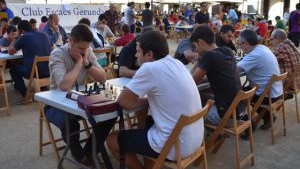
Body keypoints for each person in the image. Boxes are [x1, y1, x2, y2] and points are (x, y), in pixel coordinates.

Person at [107, 30, 203, 169]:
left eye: (138, 51)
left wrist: (147, 100)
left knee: (112, 139)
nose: (135, 55)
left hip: (175, 145)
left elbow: (123, 102)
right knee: (145, 123)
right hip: (194, 139)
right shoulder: (176, 63)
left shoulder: (149, 68)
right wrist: (151, 100)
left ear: (149, 54)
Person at [45, 24, 116, 164]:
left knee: (109, 113)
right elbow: (64, 86)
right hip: (54, 105)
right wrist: (79, 63)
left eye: (87, 48)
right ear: (70, 41)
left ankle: (91, 151)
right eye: (81, 48)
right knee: (70, 124)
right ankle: (79, 156)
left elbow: (103, 78)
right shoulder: (57, 54)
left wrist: (87, 64)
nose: (85, 51)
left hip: (79, 99)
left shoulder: (88, 51)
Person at [190, 25, 244, 124]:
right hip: (239, 110)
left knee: (191, 101)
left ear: (200, 42)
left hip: (225, 116)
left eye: (195, 46)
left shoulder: (209, 56)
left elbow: (191, 82)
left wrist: (199, 58)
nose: (196, 50)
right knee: (203, 95)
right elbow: (219, 75)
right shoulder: (227, 51)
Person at [237, 29, 283, 130]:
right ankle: (267, 117)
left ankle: (247, 125)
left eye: (239, 43)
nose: (239, 46)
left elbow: (234, 71)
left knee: (237, 95)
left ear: (245, 43)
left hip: (268, 95)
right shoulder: (263, 48)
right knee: (247, 89)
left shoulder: (254, 55)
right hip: (276, 92)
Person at [8, 20, 51, 99]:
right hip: (49, 70)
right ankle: (43, 88)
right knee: (31, 64)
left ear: (21, 31)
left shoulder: (24, 36)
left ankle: (25, 95)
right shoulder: (44, 34)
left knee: (13, 69)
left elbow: (10, 51)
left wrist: (16, 38)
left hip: (34, 72)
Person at [271, 29, 300, 98]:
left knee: (261, 78)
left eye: (272, 38)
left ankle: (277, 97)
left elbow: (267, 59)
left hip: (289, 84)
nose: (270, 40)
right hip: (296, 81)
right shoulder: (290, 43)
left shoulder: (281, 47)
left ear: (278, 38)